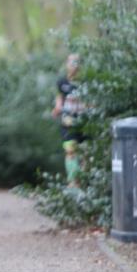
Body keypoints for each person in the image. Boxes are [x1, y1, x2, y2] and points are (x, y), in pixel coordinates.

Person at [52, 53, 86, 187]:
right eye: (71, 62)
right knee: (70, 150)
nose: (74, 65)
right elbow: (59, 96)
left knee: (85, 152)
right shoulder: (62, 82)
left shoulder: (86, 81)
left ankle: (83, 180)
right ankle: (72, 181)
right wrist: (57, 107)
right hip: (68, 121)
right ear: (66, 64)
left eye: (77, 62)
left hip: (85, 121)